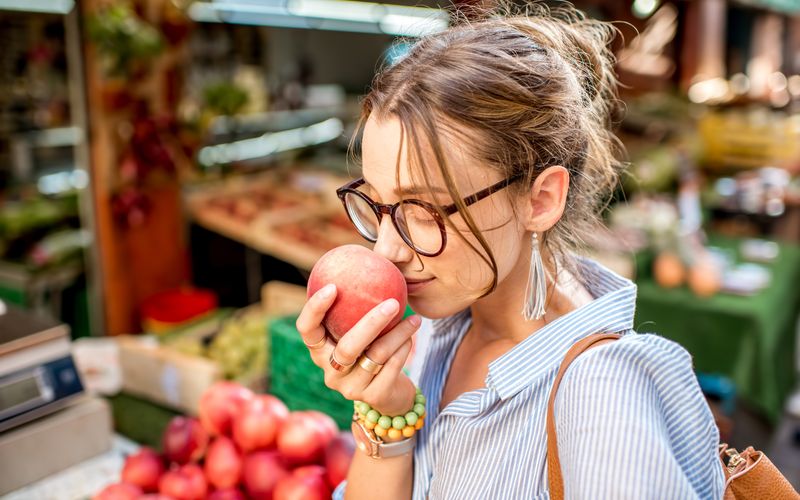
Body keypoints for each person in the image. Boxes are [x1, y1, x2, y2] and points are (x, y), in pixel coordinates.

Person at [295, 3, 725, 499]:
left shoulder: (604, 397)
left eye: (426, 208)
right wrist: (389, 414)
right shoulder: (439, 326)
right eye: (379, 203)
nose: (388, 249)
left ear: (541, 200)